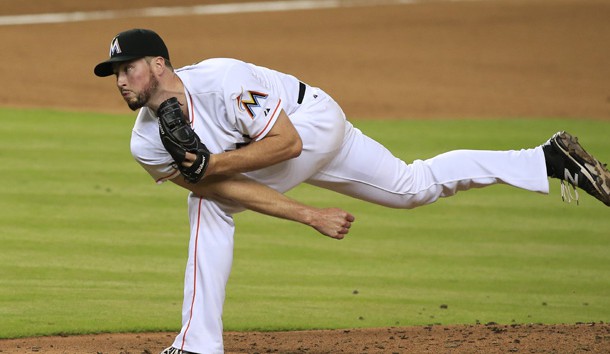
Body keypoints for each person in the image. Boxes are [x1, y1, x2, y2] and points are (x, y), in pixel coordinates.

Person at [94, 28, 610, 354]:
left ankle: (197, 346)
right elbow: (231, 186)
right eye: (114, 73)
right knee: (412, 186)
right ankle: (547, 159)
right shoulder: (146, 142)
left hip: (311, 122)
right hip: (309, 142)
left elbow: (287, 145)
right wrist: (306, 214)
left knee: (205, 201)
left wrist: (212, 165)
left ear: (159, 64)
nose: (121, 79)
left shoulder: (221, 79)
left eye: (128, 67)